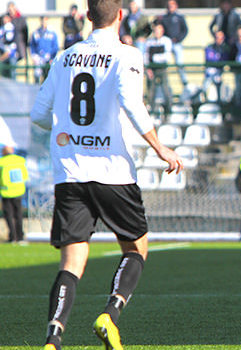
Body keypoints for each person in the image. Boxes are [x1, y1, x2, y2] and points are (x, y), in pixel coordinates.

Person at [30, 1, 183, 349]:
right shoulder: (126, 55)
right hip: (112, 169)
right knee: (136, 248)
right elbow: (131, 102)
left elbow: (39, 114)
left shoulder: (64, 57)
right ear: (120, 15)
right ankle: (109, 314)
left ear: (87, 17)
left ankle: (53, 339)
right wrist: (161, 148)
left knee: (71, 262)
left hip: (70, 172)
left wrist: (68, 129)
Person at [0, 145, 28, 244]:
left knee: (9, 216)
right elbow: (25, 175)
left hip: (6, 192)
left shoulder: (1, 162)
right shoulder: (20, 160)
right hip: (19, 191)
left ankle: (12, 237)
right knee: (18, 215)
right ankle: (20, 237)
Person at [157, 0, 189, 87]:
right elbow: (159, 29)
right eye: (169, 5)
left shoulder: (179, 17)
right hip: (167, 44)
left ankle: (185, 84)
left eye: (172, 5)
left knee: (180, 64)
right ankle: (164, 85)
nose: (170, 7)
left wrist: (178, 39)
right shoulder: (163, 18)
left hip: (177, 44)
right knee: (164, 64)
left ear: (176, 6)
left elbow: (185, 30)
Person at [145, 22, 173, 119]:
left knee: (165, 89)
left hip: (162, 68)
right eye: (155, 30)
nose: (157, 32)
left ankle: (168, 111)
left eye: (158, 30)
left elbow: (167, 57)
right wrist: (148, 68)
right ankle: (151, 111)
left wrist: (155, 57)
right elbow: (146, 56)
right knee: (151, 90)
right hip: (152, 70)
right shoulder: (149, 42)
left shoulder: (166, 41)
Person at [30, 16, 59, 84]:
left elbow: (55, 47)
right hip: (39, 59)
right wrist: (34, 56)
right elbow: (32, 46)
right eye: (43, 21)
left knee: (48, 78)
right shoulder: (36, 33)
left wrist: (52, 57)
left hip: (48, 59)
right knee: (37, 75)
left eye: (45, 21)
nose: (44, 23)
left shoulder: (52, 33)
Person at [204, 30, 230, 103]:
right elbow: (209, 58)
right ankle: (205, 99)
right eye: (217, 37)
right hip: (210, 71)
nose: (218, 39)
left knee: (219, 82)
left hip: (219, 71)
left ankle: (220, 102)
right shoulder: (210, 47)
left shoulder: (225, 48)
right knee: (206, 85)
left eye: (220, 37)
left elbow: (224, 60)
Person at [0, 13, 18, 79]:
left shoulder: (11, 27)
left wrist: (8, 51)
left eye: (6, 18)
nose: (5, 20)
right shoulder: (2, 28)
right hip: (3, 53)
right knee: (4, 73)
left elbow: (10, 40)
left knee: (12, 72)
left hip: (11, 53)